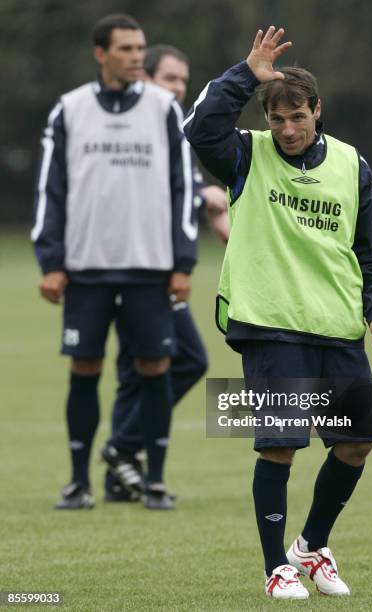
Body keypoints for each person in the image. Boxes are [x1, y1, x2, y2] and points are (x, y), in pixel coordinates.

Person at [184, 27, 372, 599]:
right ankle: (275, 565)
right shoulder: (245, 155)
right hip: (269, 321)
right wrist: (244, 75)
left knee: (357, 442)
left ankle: (311, 545)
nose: (287, 129)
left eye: (297, 117)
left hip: (335, 324)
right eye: (277, 119)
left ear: (316, 111)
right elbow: (198, 128)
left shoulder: (353, 167)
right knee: (280, 441)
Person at [31, 14, 196, 511]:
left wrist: (182, 262)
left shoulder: (165, 108)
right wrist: (51, 260)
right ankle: (79, 482)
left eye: (140, 48)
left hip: (150, 266)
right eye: (125, 48)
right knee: (85, 367)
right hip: (86, 267)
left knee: (155, 366)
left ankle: (156, 481)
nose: (135, 57)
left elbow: (183, 187)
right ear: (100, 53)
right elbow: (50, 190)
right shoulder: (70, 109)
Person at [101, 44, 229, 509]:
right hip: (134, 264)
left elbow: (181, 183)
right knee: (189, 358)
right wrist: (204, 197)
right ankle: (122, 447)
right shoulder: (137, 122)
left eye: (183, 80)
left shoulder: (168, 125)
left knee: (136, 371)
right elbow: (150, 188)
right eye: (170, 79)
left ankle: (122, 473)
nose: (178, 88)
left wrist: (208, 201)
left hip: (153, 264)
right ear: (146, 79)